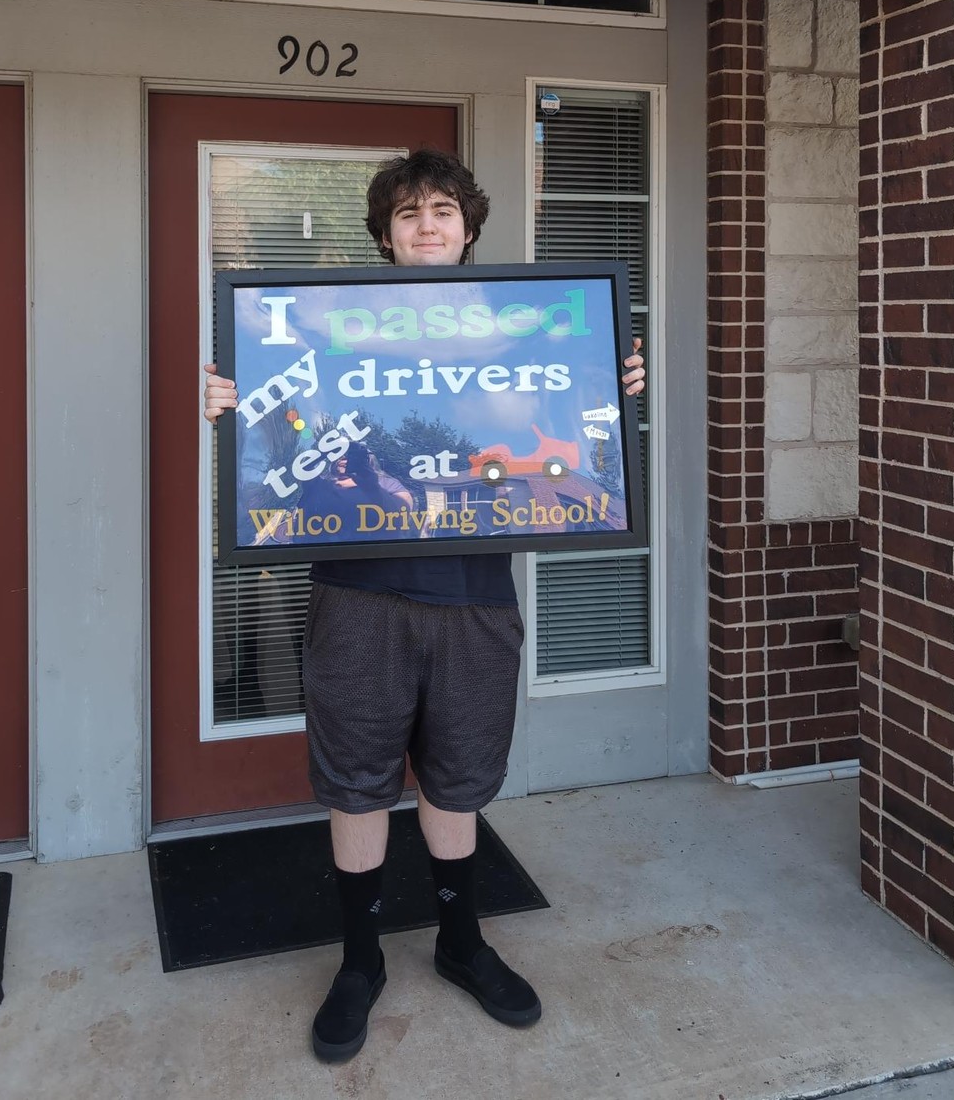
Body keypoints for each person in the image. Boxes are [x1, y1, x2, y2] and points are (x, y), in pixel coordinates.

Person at [204, 147, 644, 1062]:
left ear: (470, 227)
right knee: (358, 781)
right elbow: (281, 430)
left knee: (459, 778)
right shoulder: (323, 333)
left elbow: (572, 425)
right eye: (408, 214)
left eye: (443, 209)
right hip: (356, 593)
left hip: (474, 597)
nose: (428, 224)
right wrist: (232, 402)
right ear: (386, 236)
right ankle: (360, 961)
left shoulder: (523, 330)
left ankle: (460, 941)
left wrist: (611, 387)